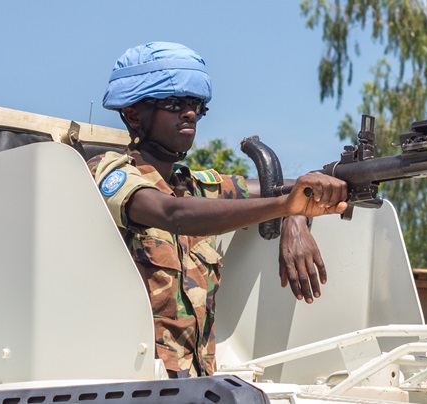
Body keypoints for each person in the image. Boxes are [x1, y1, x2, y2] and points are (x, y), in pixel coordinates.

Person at [88, 41, 348, 378]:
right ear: (134, 114)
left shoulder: (198, 187)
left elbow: (289, 188)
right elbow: (171, 214)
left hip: (198, 389)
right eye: (174, 103)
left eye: (196, 104)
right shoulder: (108, 172)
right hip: (135, 389)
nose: (190, 113)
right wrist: (285, 205)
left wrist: (294, 215)